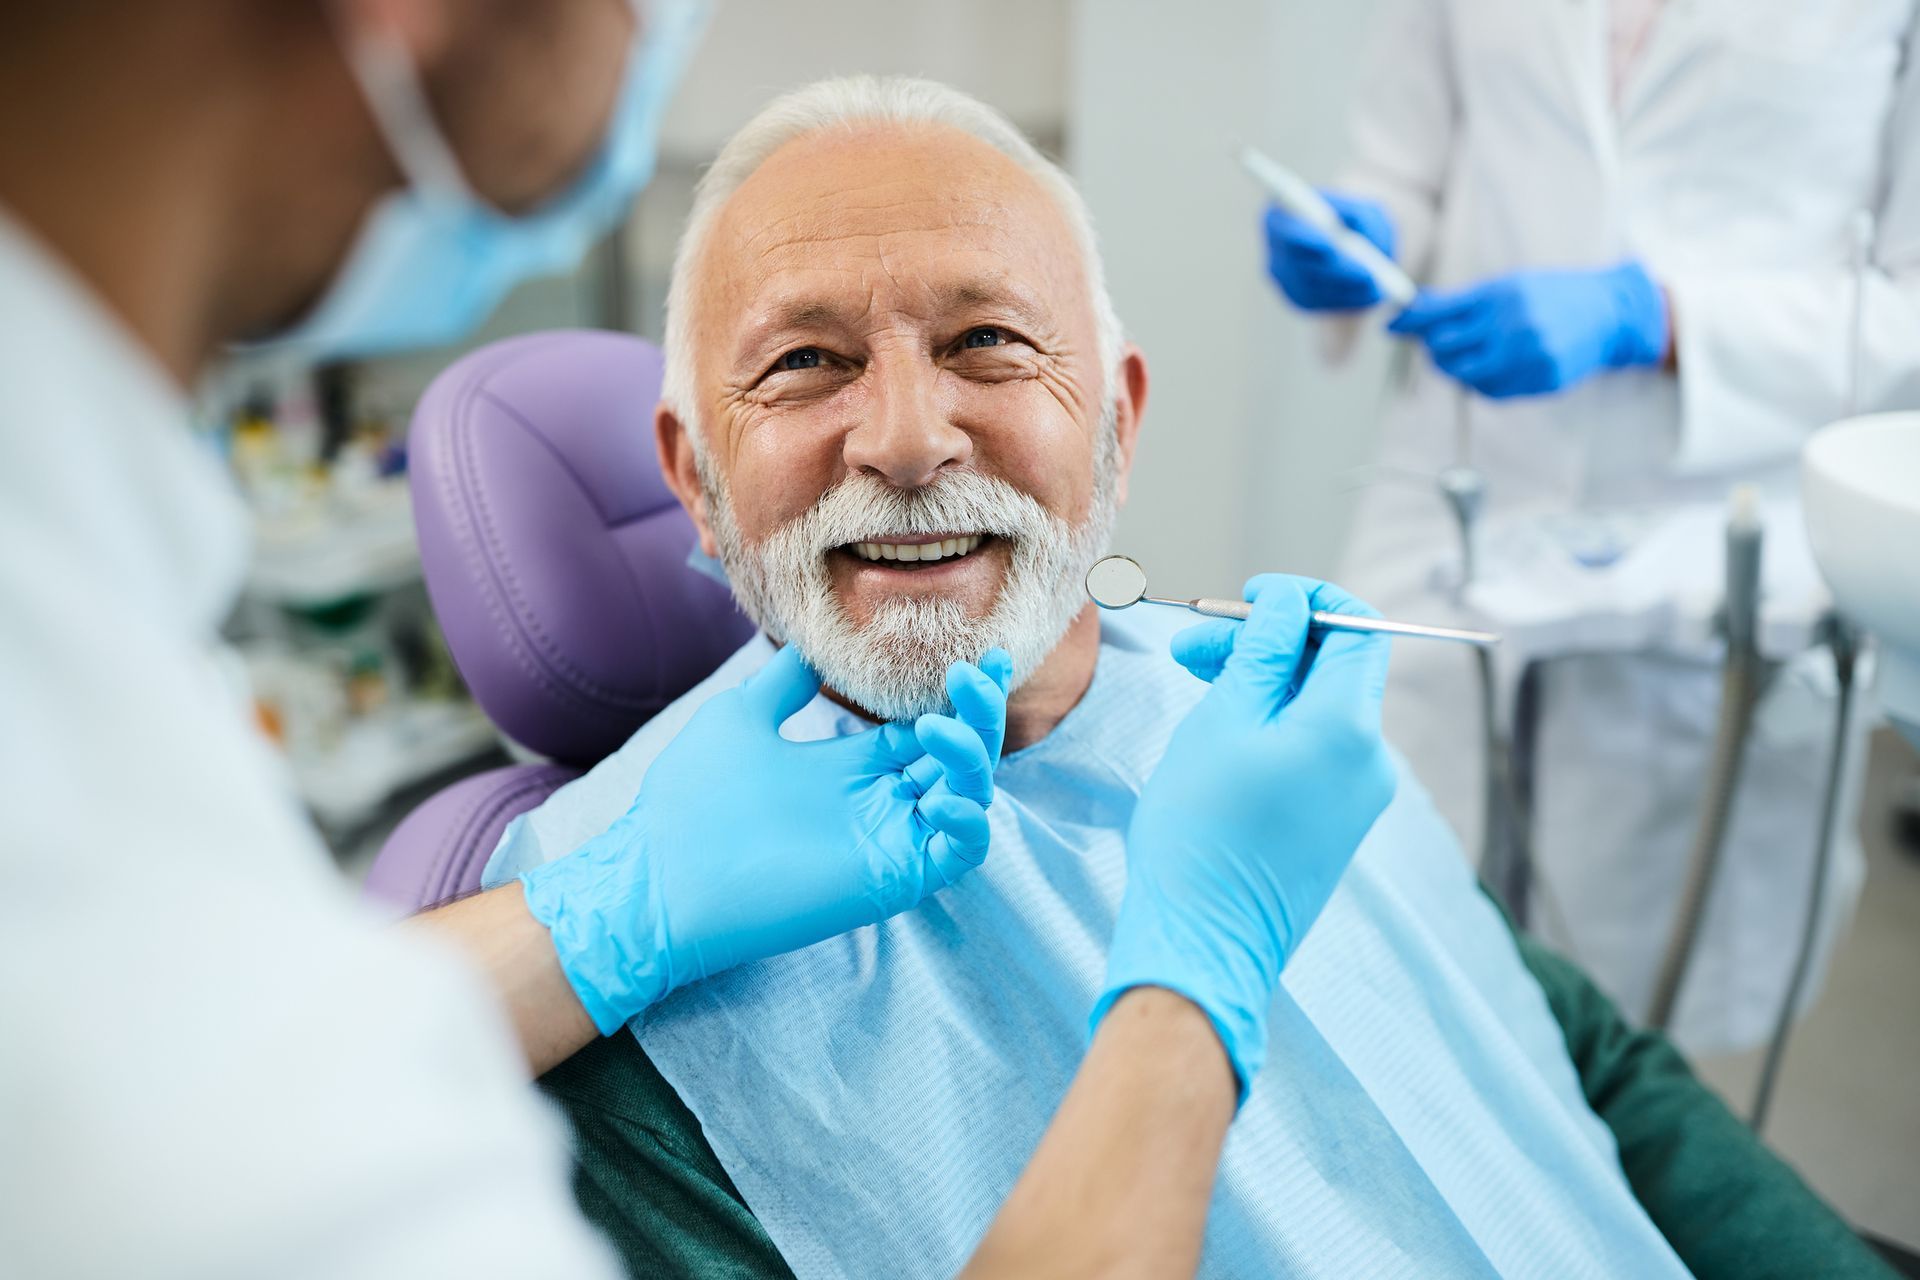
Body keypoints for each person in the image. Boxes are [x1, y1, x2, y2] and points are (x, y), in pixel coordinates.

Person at [480, 76, 1892, 1279]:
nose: (907, 441)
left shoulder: (1273, 740)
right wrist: (1193, 978)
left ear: (1119, 423)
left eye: (987, 342)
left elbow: (1580, 1067)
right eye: (803, 362)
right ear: (695, 479)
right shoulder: (615, 968)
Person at [1262, 0, 1920, 1052]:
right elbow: (1406, 161)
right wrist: (1363, 228)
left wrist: (1657, 316)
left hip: (1716, 531)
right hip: (1460, 485)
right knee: (1376, 960)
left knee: (1635, 1045)